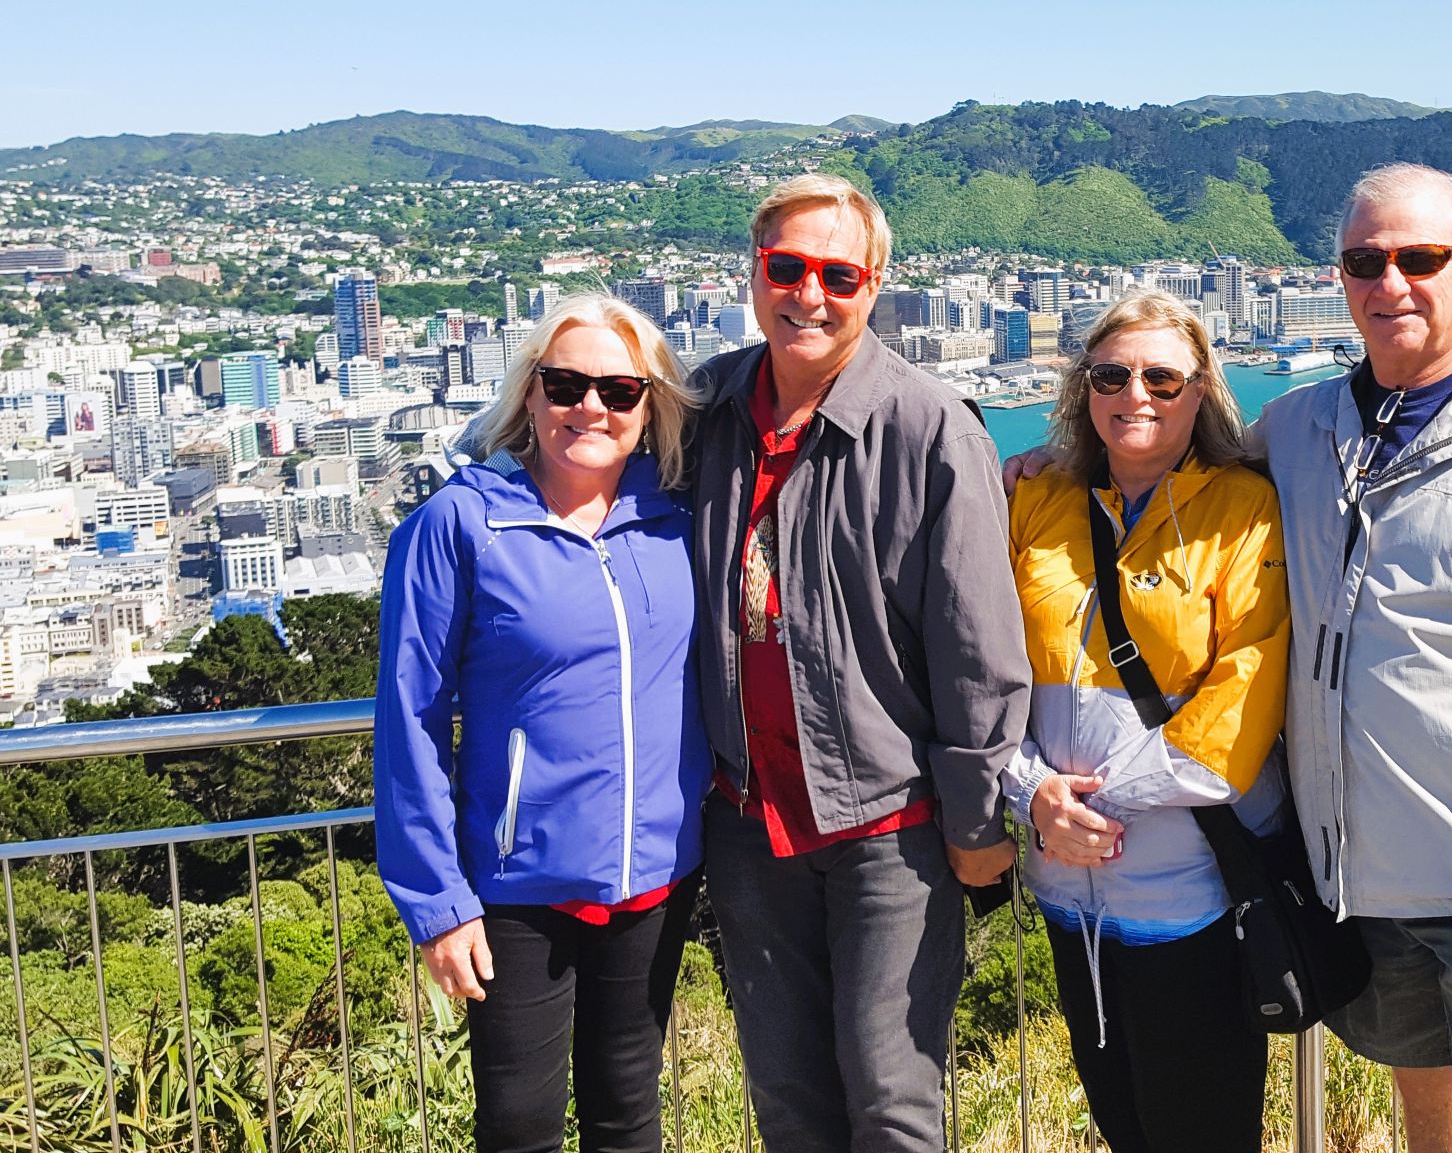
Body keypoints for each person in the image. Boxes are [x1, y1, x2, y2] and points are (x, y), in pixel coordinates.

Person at [1009, 164, 1452, 1153]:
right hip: (1364, 884)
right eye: (1364, 261)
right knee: (1427, 1127)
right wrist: (1050, 461)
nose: (1391, 284)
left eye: (1418, 259)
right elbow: (1168, 464)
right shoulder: (1299, 430)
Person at [692, 173, 1030, 1153]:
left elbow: (978, 648)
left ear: (874, 285)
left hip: (891, 824)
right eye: (786, 268)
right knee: (788, 1101)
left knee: (890, 1103)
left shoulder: (929, 429)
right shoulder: (703, 410)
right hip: (748, 822)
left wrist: (974, 821)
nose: (809, 294)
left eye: (837, 274)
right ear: (753, 276)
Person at [375, 292, 710, 1153]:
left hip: (655, 874)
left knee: (629, 1112)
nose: (589, 408)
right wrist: (438, 903)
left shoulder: (678, 520)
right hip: (517, 886)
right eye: (565, 385)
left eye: (619, 392)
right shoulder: (461, 523)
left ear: (650, 407)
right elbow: (410, 716)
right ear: (530, 394)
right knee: (519, 1124)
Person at [1004, 289, 1290, 1153]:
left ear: (1201, 391)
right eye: (1112, 375)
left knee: (1203, 1128)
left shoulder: (1243, 509)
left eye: (1163, 378)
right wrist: (1030, 794)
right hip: (1066, 893)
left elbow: (1244, 694)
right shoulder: (1036, 500)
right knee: (1121, 1121)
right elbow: (978, 669)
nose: (1136, 395)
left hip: (1192, 891)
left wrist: (1090, 806)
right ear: (1083, 389)